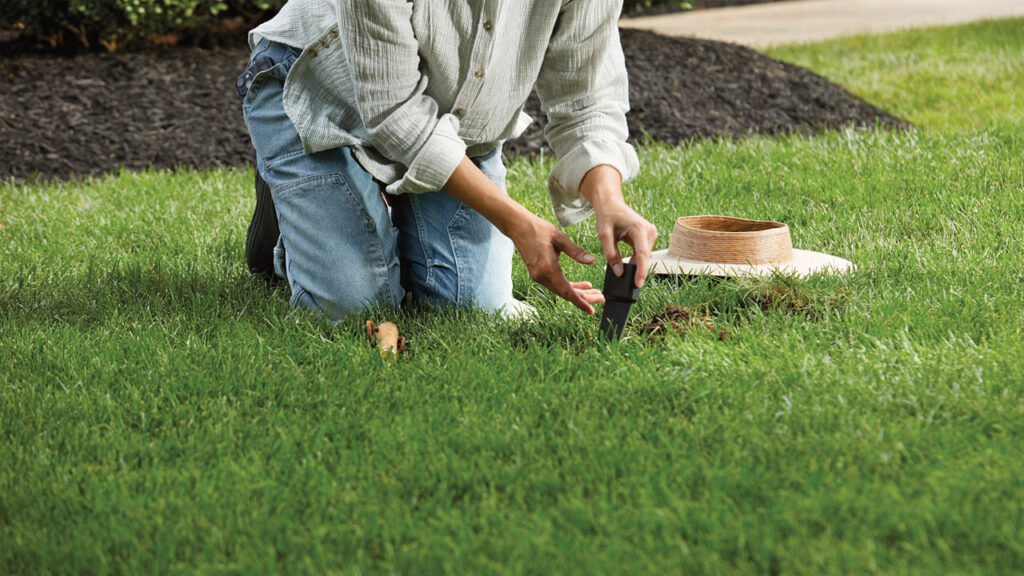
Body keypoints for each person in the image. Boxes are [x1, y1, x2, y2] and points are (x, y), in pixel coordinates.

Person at [238, 0, 658, 321]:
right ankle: (294, 208)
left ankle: (348, 215)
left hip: (449, 121)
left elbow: (586, 98)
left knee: (473, 307)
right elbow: (394, 113)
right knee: (353, 305)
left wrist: (609, 199)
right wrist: (518, 223)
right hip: (318, 90)